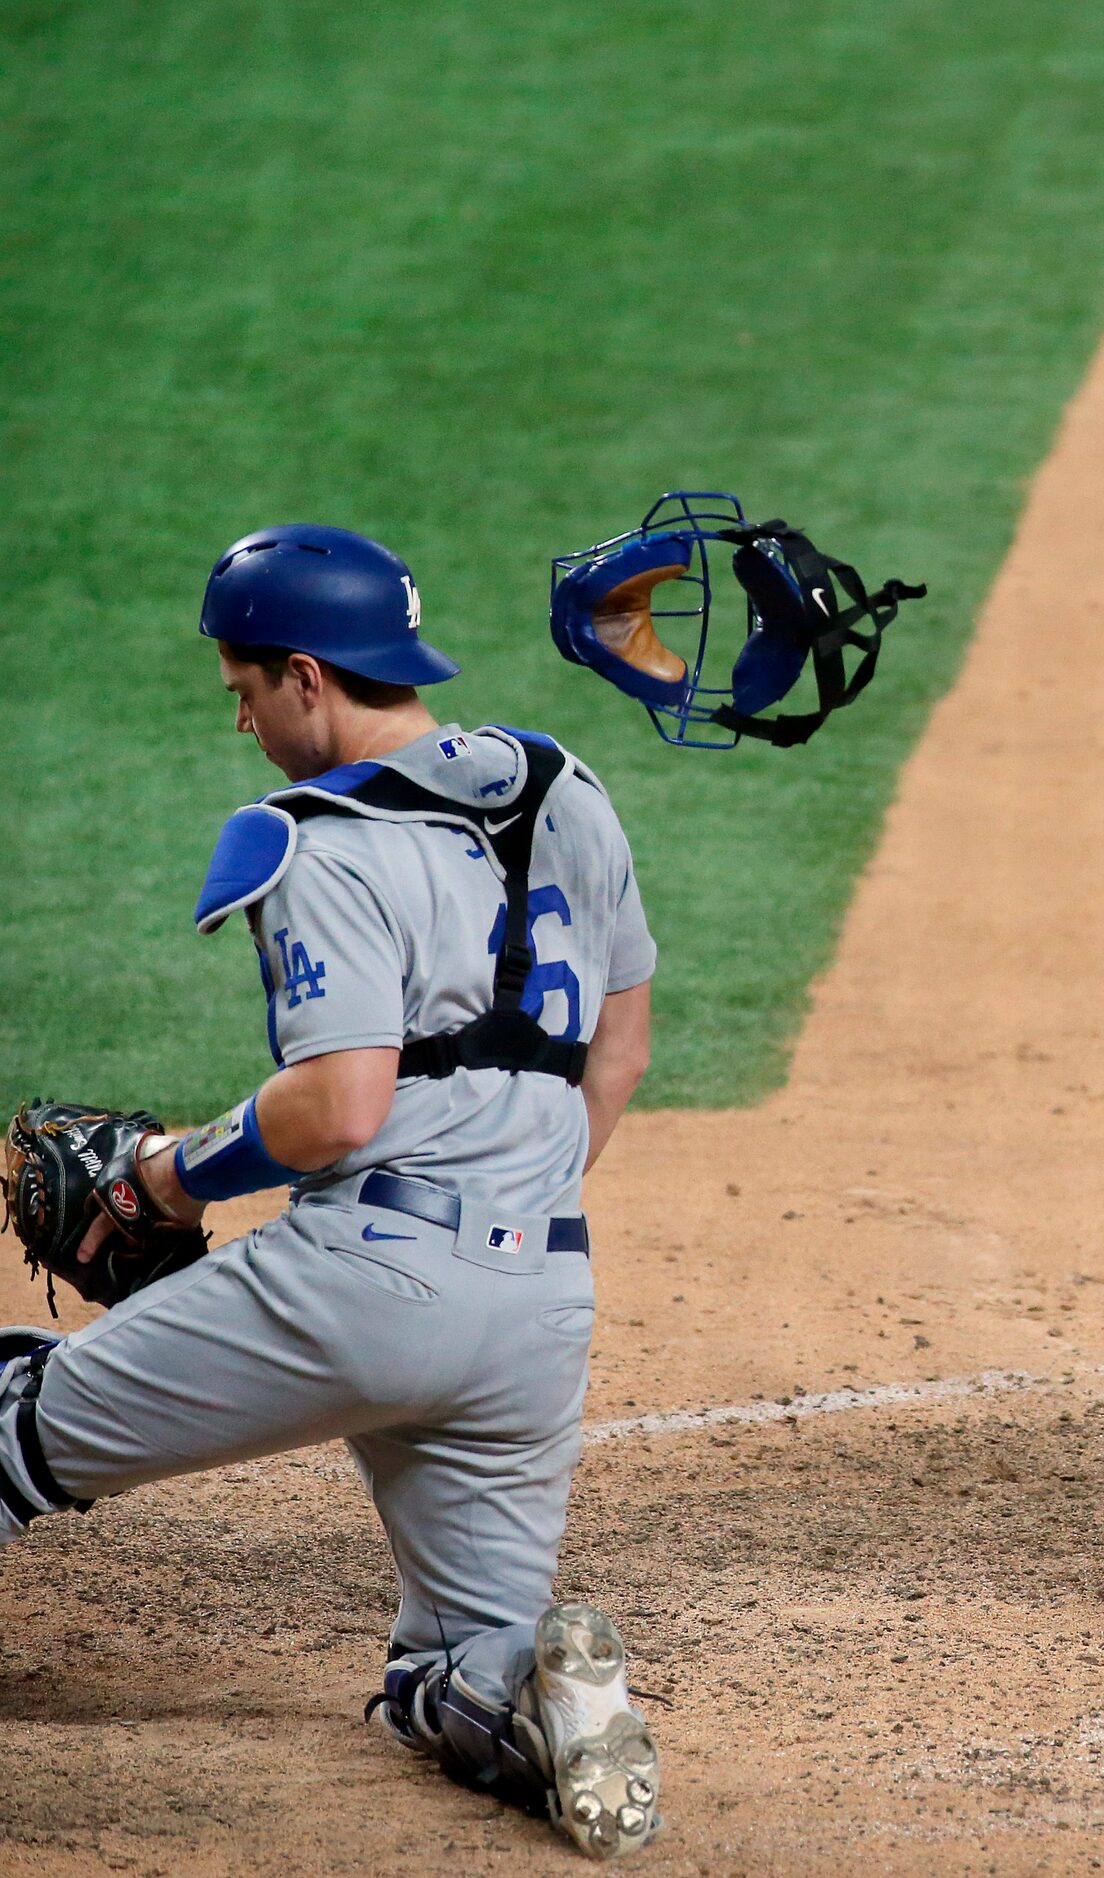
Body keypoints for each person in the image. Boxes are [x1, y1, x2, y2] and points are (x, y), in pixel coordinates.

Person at [0, 524, 665, 1854]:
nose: (243, 725)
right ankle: (536, 1700)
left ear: (309, 676)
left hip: (368, 1286)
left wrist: (163, 1181)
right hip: (542, 1305)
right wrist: (503, 1208)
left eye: (247, 692)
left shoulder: (309, 837)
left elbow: (340, 1105)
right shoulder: (563, 784)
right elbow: (622, 1050)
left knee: (12, 1414)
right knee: (447, 1671)